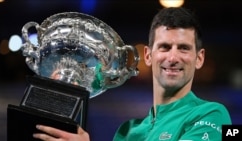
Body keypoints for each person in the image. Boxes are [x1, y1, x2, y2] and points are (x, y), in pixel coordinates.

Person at [33, 7, 232, 141]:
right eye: (164, 47)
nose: (173, 57)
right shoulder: (126, 132)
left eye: (183, 48)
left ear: (199, 58)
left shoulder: (213, 115)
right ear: (148, 55)